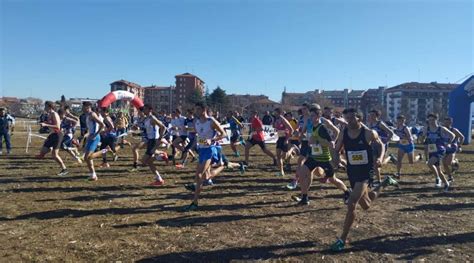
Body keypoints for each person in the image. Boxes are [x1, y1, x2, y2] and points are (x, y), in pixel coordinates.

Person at [331, 108, 398, 252]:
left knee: (351, 203)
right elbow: (336, 149)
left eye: (351, 118)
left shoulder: (368, 133)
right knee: (366, 204)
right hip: (352, 172)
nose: (348, 121)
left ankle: (342, 239)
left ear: (359, 119)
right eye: (346, 118)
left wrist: (380, 158)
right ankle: (385, 182)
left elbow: (380, 144)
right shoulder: (344, 133)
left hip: (366, 172)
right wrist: (336, 160)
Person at [292, 105, 351, 205]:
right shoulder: (311, 125)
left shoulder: (322, 128)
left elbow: (330, 144)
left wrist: (318, 141)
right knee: (302, 174)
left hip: (324, 158)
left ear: (318, 116)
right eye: (310, 116)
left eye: (313, 116)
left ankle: (347, 192)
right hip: (313, 157)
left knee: (333, 179)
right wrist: (302, 136)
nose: (311, 118)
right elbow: (310, 140)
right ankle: (304, 198)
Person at [182, 102, 227, 211]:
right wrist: (191, 148)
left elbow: (224, 134)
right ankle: (222, 166)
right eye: (195, 110)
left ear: (204, 110)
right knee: (204, 177)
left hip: (210, 150)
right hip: (202, 150)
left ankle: (195, 202)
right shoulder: (196, 122)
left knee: (199, 174)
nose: (196, 112)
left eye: (198, 109)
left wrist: (211, 140)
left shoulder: (211, 121)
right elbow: (198, 136)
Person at [421, 113, 455, 191]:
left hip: (440, 149)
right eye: (429, 120)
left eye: (433, 120)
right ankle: (446, 183)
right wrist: (422, 139)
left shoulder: (441, 128)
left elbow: (452, 135)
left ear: (437, 120)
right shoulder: (426, 128)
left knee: (429, 163)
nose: (431, 121)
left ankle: (438, 179)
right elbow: (423, 138)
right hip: (432, 149)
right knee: (438, 170)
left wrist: (448, 143)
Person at [36, 101, 69, 176]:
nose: (44, 108)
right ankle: (50, 148)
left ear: (49, 107)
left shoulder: (54, 114)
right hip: (52, 135)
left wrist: (45, 124)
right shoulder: (49, 114)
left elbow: (57, 126)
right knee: (42, 152)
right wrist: (43, 124)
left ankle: (64, 169)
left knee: (54, 155)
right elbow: (50, 123)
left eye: (45, 106)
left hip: (57, 135)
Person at [140, 104, 167, 186]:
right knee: (149, 162)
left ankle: (161, 155)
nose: (143, 110)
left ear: (149, 110)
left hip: (154, 140)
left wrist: (160, 138)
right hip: (150, 140)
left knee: (144, 161)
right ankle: (159, 179)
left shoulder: (152, 118)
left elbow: (163, 127)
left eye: (145, 109)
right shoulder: (146, 118)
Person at [367, 110, 396, 185]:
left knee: (380, 163)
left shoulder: (380, 124)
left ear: (377, 116)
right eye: (370, 115)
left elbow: (391, 133)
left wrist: (385, 141)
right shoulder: (370, 124)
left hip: (381, 146)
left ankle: (390, 157)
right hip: (373, 145)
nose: (371, 116)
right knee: (375, 163)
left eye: (373, 115)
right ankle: (379, 180)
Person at [393, 115, 423, 179]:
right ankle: (398, 173)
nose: (399, 122)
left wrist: (403, 137)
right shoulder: (397, 128)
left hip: (409, 145)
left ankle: (419, 156)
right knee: (399, 160)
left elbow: (410, 137)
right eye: (398, 120)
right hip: (402, 146)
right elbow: (397, 137)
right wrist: (397, 139)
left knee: (411, 162)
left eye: (401, 120)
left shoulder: (405, 128)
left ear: (403, 121)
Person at [82, 102, 105, 181]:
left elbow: (102, 125)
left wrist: (95, 135)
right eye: (83, 107)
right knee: (87, 158)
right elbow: (91, 128)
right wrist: (87, 135)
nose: (82, 108)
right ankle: (93, 175)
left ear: (88, 107)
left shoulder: (92, 114)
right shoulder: (87, 115)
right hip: (91, 137)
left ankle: (105, 150)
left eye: (84, 107)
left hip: (95, 138)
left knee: (87, 157)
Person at [442, 117, 465, 182]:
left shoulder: (454, 130)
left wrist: (459, 146)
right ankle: (450, 177)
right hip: (444, 148)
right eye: (445, 122)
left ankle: (455, 162)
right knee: (444, 163)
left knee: (448, 162)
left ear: (451, 123)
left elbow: (462, 137)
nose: (446, 123)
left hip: (452, 147)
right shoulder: (442, 130)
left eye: (448, 122)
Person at [273, 108, 294, 177]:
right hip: (279, 139)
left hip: (285, 139)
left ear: (279, 113)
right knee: (278, 156)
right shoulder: (276, 120)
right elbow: (278, 129)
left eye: (275, 112)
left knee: (284, 157)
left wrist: (287, 139)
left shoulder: (283, 120)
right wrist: (274, 133)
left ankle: (292, 149)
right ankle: (281, 172)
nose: (274, 114)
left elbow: (291, 129)